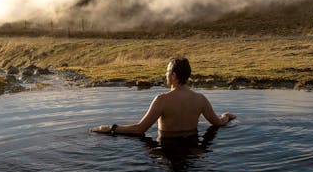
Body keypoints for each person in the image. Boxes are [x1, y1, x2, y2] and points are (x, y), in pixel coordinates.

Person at [91, 57, 235, 138]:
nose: (165, 74)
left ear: (173, 76)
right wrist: (227, 116)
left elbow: (140, 129)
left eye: (167, 71)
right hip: (192, 149)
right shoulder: (200, 99)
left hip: (167, 149)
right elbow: (218, 123)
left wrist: (111, 128)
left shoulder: (162, 100)